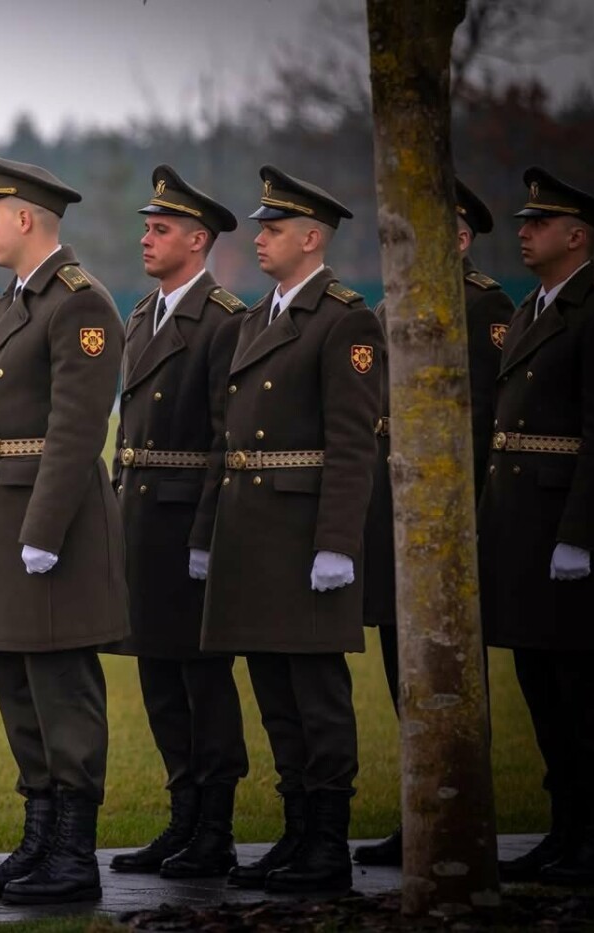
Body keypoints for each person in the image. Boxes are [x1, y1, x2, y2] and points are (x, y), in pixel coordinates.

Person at [0, 151, 128, 905]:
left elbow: (77, 428)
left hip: (49, 524)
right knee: (18, 684)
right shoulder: (16, 300)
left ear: (26, 218)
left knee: (61, 688)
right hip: (0, 519)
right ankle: (38, 841)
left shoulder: (77, 303)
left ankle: (73, 854)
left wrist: (45, 526)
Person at [200, 166, 384, 894]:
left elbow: (352, 442)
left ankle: (328, 841)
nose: (261, 239)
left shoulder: (346, 321)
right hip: (253, 533)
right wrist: (210, 530)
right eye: (261, 228)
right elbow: (228, 440)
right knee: (275, 692)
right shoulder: (256, 318)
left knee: (317, 693)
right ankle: (295, 830)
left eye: (273, 229)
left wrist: (337, 542)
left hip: (307, 534)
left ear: (312, 238)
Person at [353, 178, 515, 867]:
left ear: (460, 235)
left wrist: (470, 517)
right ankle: (425, 806)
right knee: (403, 669)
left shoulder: (483, 306)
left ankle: (459, 809)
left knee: (450, 673)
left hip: (447, 515)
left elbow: (484, 423)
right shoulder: (390, 305)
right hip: (391, 510)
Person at [104, 165, 249, 880]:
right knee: (161, 677)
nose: (147, 239)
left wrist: (206, 535)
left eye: (161, 229)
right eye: (146, 227)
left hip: (186, 519)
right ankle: (182, 816)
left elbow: (228, 439)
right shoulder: (143, 314)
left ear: (199, 240)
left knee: (202, 678)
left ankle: (215, 828)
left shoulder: (222, 320)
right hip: (139, 518)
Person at [479, 167, 594, 885]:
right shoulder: (531, 309)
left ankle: (591, 833)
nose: (523, 232)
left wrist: (580, 530)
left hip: (564, 526)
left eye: (539, 223)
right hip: (520, 527)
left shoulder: (590, 308)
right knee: (541, 689)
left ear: (577, 235)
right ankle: (565, 828)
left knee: (580, 690)